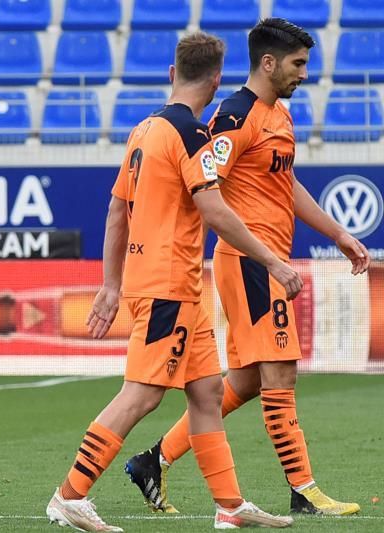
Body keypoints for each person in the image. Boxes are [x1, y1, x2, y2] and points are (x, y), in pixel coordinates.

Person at [45, 32, 301, 532]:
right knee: (142, 394)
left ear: (171, 74)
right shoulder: (192, 135)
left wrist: (111, 284)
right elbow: (215, 211)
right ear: (217, 80)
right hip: (167, 286)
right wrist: (273, 261)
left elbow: (117, 209)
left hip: (172, 286)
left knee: (207, 393)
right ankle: (70, 495)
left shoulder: (144, 129)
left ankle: (230, 506)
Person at [125, 18, 370, 518]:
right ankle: (304, 490)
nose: (304, 74)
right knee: (280, 372)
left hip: (266, 262)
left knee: (246, 381)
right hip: (251, 263)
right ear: (268, 62)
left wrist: (339, 233)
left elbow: (286, 183)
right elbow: (204, 187)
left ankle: (154, 460)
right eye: (298, 64)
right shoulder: (235, 117)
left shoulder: (278, 114)